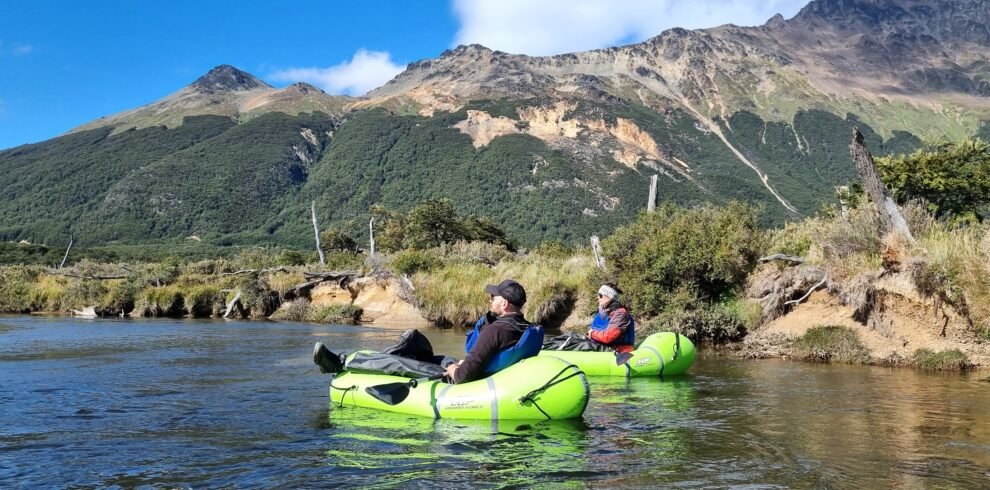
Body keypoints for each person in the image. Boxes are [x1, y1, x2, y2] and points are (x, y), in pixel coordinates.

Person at [312, 279, 542, 384]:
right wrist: (462, 362)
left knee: (397, 364)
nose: (490, 299)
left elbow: (463, 377)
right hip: (478, 367)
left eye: (494, 298)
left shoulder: (496, 331)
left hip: (463, 378)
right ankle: (395, 354)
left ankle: (341, 363)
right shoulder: (524, 327)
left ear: (505, 304)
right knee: (413, 338)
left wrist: (454, 368)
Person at [587, 283, 635, 353]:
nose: (598, 297)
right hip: (605, 347)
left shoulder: (620, 314)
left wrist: (592, 334)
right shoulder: (602, 314)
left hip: (620, 351)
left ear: (609, 297)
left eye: (600, 295)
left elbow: (608, 337)